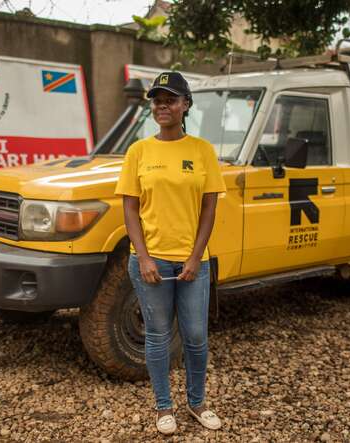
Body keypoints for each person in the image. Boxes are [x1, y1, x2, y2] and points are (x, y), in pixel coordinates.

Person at [114, 71, 227, 435]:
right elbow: (130, 209)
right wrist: (144, 258)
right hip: (151, 262)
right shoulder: (139, 152)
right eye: (157, 100)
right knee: (158, 335)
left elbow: (209, 210)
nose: (162, 105)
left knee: (195, 335)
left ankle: (197, 403)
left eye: (171, 99)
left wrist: (196, 259)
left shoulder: (203, 151)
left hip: (194, 261)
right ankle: (164, 407)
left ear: (186, 105)